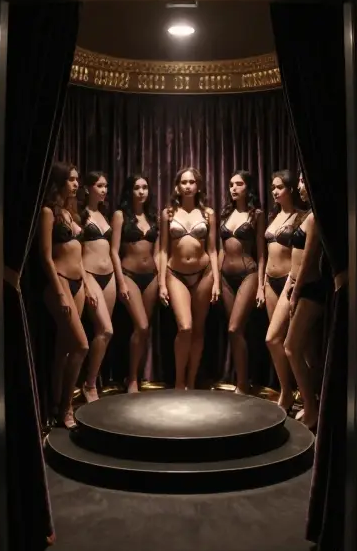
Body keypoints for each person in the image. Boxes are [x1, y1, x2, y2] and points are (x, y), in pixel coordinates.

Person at [159, 167, 220, 391]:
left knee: (198, 330)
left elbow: (213, 249)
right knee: (185, 327)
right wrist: (161, 283)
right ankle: (178, 382)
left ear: (198, 186)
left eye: (192, 182)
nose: (187, 186)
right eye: (183, 182)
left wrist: (216, 281)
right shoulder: (168, 213)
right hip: (175, 274)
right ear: (177, 186)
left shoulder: (208, 214)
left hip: (204, 273)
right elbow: (163, 250)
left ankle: (192, 382)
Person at [38, 162, 88, 429]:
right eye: (71, 179)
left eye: (77, 179)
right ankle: (67, 406)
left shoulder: (72, 213)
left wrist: (88, 287)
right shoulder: (48, 213)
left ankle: (56, 405)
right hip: (61, 283)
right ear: (59, 182)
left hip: (79, 283)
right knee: (81, 346)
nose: (76, 184)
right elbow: (46, 257)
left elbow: (78, 256)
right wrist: (59, 290)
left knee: (63, 350)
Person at [283, 171, 327, 429]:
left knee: (291, 347)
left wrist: (295, 292)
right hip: (300, 286)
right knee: (309, 352)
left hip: (310, 288)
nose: (300, 186)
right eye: (299, 181)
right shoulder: (309, 216)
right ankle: (318, 403)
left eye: (303, 181)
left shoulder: (315, 219)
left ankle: (311, 406)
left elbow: (310, 260)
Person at [217, 170, 266, 394]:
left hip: (249, 274)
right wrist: (216, 280)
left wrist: (262, 287)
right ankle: (242, 381)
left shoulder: (257, 214)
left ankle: (243, 383)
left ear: (248, 187)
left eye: (238, 184)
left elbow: (262, 252)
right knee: (234, 331)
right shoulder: (225, 214)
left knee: (235, 328)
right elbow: (220, 250)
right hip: (226, 278)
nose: (233, 188)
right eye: (231, 184)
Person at [110, 174, 159, 393]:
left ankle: (137, 377)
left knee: (145, 330)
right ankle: (131, 379)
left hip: (152, 278)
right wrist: (120, 282)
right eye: (137, 188)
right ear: (130, 191)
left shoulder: (152, 216)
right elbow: (114, 251)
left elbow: (158, 252)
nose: (141, 191)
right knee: (141, 325)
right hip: (129, 275)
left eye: (145, 187)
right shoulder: (120, 215)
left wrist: (162, 280)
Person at [262, 169, 305, 413]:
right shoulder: (272, 216)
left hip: (289, 282)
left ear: (290, 189)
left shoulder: (301, 217)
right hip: (270, 280)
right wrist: (262, 283)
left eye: (279, 187)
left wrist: (293, 284)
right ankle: (286, 390)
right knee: (275, 340)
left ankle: (306, 393)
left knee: (294, 342)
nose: (275, 191)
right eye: (273, 187)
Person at [77, 171, 115, 402]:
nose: (104, 190)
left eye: (106, 186)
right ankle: (88, 384)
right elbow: (75, 252)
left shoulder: (104, 214)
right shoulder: (81, 215)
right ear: (89, 188)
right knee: (106, 329)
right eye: (100, 185)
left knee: (103, 334)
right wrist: (85, 282)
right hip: (90, 274)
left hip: (109, 275)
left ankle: (92, 380)